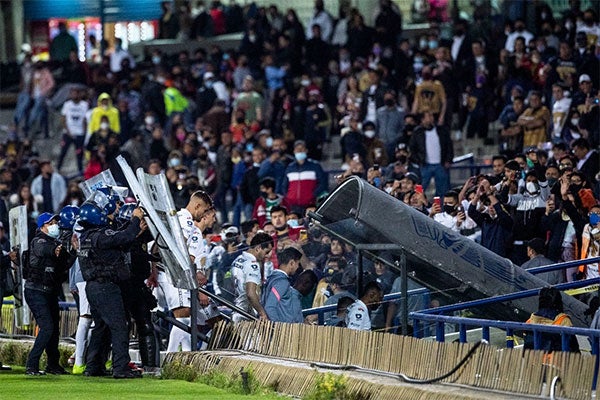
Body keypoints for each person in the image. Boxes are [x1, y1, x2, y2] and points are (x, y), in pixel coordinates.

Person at [77, 198, 146, 379]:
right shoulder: (101, 235)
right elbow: (122, 237)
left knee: (100, 327)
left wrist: (133, 232)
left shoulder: (86, 237)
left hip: (93, 287)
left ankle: (93, 366)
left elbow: (118, 244)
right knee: (119, 326)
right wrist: (136, 219)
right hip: (106, 287)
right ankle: (120, 368)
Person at [25, 213, 71, 375]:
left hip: (49, 291)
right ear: (42, 226)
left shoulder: (54, 242)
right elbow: (44, 249)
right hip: (36, 290)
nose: (55, 225)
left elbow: (64, 264)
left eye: (55, 222)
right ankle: (31, 364)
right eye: (51, 223)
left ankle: (52, 364)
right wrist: (57, 249)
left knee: (54, 330)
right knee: (47, 327)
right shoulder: (38, 241)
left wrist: (71, 250)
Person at [230, 232, 274, 322]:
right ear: (258, 248)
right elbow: (250, 293)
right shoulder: (252, 265)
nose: (267, 255)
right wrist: (262, 313)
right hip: (245, 315)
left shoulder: (238, 259)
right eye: (267, 252)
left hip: (236, 310)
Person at [524, 287, 579, 353]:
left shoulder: (529, 321)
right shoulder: (563, 321)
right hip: (556, 361)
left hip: (534, 361)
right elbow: (574, 348)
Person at [281, 140, 327, 214]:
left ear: (306, 150)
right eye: (297, 149)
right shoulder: (290, 167)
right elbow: (284, 185)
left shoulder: (315, 166)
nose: (299, 151)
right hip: (293, 205)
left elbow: (323, 183)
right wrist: (288, 197)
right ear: (294, 151)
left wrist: (313, 195)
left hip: (310, 204)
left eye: (302, 149)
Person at [262, 246, 304, 323]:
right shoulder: (281, 282)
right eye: (298, 264)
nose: (298, 267)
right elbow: (269, 307)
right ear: (291, 263)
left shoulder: (272, 278)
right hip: (280, 331)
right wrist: (278, 328)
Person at [58, 88, 88, 174]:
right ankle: (58, 168)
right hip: (68, 133)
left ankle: (80, 171)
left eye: (75, 93)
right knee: (63, 152)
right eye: (72, 93)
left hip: (80, 133)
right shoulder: (67, 105)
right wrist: (67, 131)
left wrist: (84, 133)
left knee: (79, 154)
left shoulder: (84, 104)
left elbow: (85, 119)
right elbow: (63, 118)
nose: (74, 95)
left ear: (79, 94)